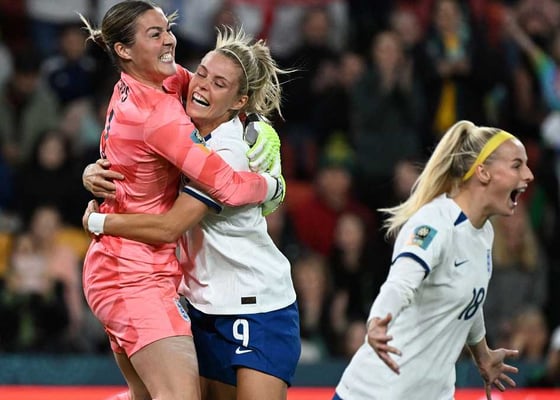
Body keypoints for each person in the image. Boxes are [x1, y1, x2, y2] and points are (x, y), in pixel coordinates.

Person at [78, 2, 284, 400]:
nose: (169, 40)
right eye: (154, 34)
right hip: (131, 273)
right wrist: (273, 185)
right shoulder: (159, 118)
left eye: (168, 29)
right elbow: (228, 187)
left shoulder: (158, 82)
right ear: (124, 50)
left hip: (130, 266)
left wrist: (257, 122)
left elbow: (218, 89)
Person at [333, 120, 533, 400]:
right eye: (517, 165)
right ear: (483, 172)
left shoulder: (484, 232)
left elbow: (469, 300)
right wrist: (377, 321)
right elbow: (400, 284)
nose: (529, 175)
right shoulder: (434, 224)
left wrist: (482, 353)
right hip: (376, 394)